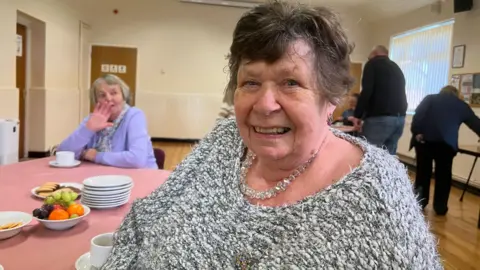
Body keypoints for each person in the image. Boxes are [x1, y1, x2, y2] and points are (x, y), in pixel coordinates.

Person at [102, 2, 441, 269]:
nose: (264, 105)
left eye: (290, 83)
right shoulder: (225, 141)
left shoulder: (379, 196)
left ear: (331, 98)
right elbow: (143, 221)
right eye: (250, 82)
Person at [57, 74, 158, 169]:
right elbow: (63, 153)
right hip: (101, 179)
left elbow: (137, 159)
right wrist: (88, 129)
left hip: (141, 178)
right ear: (96, 101)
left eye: (114, 93)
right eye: (102, 95)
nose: (109, 98)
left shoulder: (134, 115)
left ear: (123, 96)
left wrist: (96, 156)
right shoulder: (92, 119)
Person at [410, 85, 480, 215]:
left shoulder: (430, 99)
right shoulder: (461, 105)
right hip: (446, 145)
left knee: (423, 173)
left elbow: (418, 116)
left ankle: (420, 202)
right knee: (444, 176)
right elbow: (476, 124)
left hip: (424, 141)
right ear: (456, 94)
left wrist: (417, 132)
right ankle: (440, 207)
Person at [351, 45, 408, 155]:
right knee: (389, 159)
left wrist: (358, 115)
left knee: (369, 156)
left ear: (374, 54)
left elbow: (367, 91)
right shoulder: (396, 67)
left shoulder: (372, 64)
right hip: (399, 119)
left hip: (379, 119)